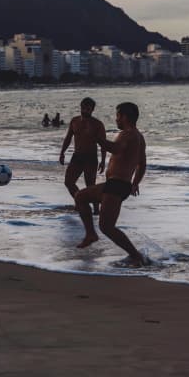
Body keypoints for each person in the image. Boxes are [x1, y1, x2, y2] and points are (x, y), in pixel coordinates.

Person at [74, 102, 148, 267]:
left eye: (118, 115)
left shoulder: (127, 134)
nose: (116, 119)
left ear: (125, 117)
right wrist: (135, 183)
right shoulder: (139, 137)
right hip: (118, 185)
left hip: (117, 185)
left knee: (107, 227)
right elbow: (142, 164)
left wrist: (97, 138)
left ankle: (136, 256)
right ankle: (91, 234)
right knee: (81, 197)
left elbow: (115, 149)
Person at [59, 97, 106, 215]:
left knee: (90, 186)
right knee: (68, 182)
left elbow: (103, 144)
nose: (85, 110)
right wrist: (62, 152)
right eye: (83, 108)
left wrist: (103, 160)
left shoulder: (97, 124)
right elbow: (68, 138)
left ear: (92, 110)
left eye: (88, 108)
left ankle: (96, 211)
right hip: (77, 156)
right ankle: (80, 201)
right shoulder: (74, 121)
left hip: (91, 158)